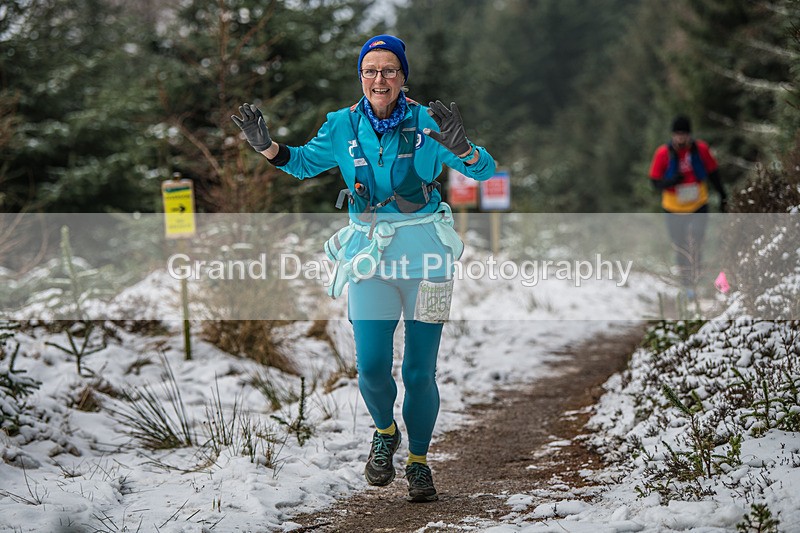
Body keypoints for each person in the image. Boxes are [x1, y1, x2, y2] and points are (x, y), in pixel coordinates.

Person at [232, 34, 496, 502]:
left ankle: (417, 463)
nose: (380, 78)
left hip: (429, 261)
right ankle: (384, 431)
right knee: (371, 367)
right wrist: (267, 147)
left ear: (402, 77)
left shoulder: (428, 124)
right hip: (371, 258)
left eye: (390, 70)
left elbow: (483, 171)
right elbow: (302, 164)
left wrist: (464, 146)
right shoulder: (340, 125)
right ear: (361, 76)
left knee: (419, 372)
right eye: (371, 70)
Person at [648, 115, 726, 299]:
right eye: (677, 134)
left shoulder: (701, 150)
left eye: (684, 134)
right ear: (672, 135)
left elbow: (713, 173)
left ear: (690, 135)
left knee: (697, 240)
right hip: (673, 207)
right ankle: (687, 285)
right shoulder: (663, 153)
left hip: (698, 203)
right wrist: (670, 181)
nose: (680, 138)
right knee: (680, 246)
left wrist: (723, 194)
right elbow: (654, 182)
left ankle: (697, 278)